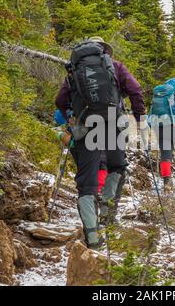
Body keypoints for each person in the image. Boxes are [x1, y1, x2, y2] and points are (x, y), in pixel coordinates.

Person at [55, 37, 146, 249]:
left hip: (86, 126)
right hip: (113, 122)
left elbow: (60, 100)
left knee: (86, 182)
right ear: (105, 50)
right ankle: (107, 214)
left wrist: (71, 117)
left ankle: (93, 237)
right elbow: (135, 89)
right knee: (117, 166)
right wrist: (140, 116)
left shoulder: (74, 71)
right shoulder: (115, 67)